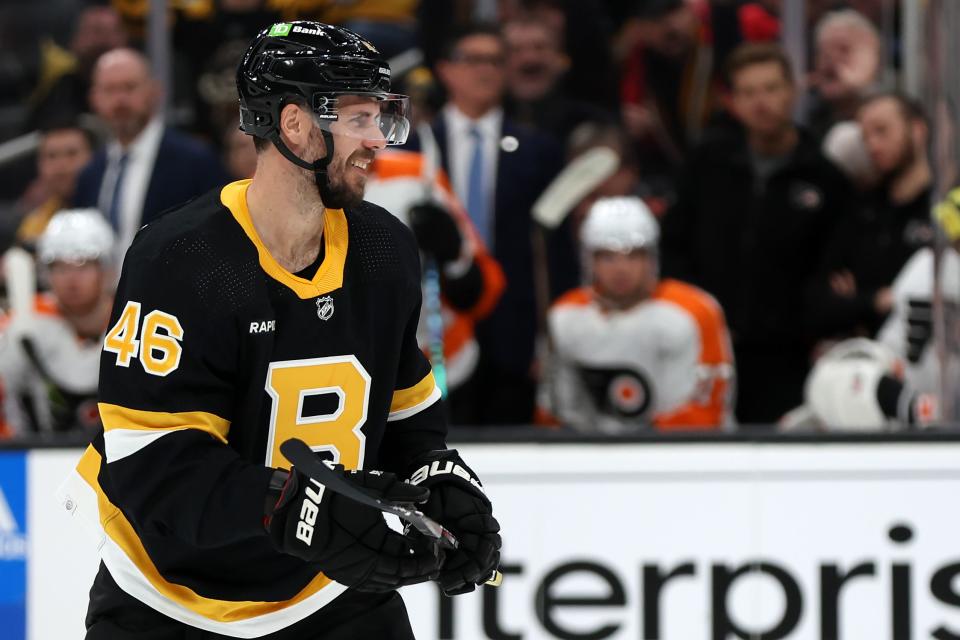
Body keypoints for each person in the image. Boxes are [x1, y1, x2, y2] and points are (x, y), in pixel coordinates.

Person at [61, 21, 500, 640]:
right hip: (167, 598)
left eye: (382, 116)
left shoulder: (384, 249)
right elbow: (153, 467)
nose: (378, 139)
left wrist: (440, 480)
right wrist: (293, 505)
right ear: (295, 125)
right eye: (359, 118)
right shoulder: (181, 260)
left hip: (327, 593)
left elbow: (407, 419)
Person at [660, 42, 853, 425]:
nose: (760, 102)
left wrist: (812, 325)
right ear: (732, 101)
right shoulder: (707, 164)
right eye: (748, 92)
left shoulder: (825, 177)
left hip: (788, 357)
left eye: (770, 89)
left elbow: (834, 267)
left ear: (792, 91)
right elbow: (674, 245)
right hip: (705, 351)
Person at [426, 23, 578, 425]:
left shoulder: (537, 149)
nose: (486, 70)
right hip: (435, 329)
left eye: (496, 60)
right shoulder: (415, 148)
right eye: (473, 59)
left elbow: (557, 252)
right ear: (445, 70)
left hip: (515, 331)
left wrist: (551, 340)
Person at [543, 196, 734, 433]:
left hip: (678, 454)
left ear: (651, 258)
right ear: (588, 260)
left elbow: (706, 407)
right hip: (592, 459)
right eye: (607, 256)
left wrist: (638, 449)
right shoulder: (564, 316)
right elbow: (554, 413)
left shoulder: (695, 311)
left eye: (633, 255)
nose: (621, 268)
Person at [363, 148, 506, 396]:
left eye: (373, 117)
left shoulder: (418, 174)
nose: (375, 134)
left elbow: (483, 288)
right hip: (353, 376)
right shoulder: (296, 182)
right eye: (356, 119)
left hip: (442, 368)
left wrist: (452, 253)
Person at [74, 48, 227, 260]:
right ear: (94, 98)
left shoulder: (195, 161)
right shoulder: (91, 173)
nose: (120, 100)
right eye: (109, 90)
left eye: (129, 87)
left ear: (155, 91)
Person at [811, 92, 935, 339]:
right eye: (865, 136)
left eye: (882, 131)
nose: (873, 145)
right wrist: (874, 301)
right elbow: (819, 304)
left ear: (917, 131)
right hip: (869, 362)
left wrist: (859, 300)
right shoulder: (860, 211)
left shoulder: (944, 206)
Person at [0, 209, 115, 436]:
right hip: (41, 450)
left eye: (83, 265)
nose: (72, 278)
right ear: (46, 272)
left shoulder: (131, 319)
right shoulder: (24, 322)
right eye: (59, 266)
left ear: (105, 269)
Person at [16, 119, 96, 249]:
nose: (61, 166)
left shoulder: (113, 212)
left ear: (93, 158)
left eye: (72, 154)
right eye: (52, 156)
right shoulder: (32, 228)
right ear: (39, 165)